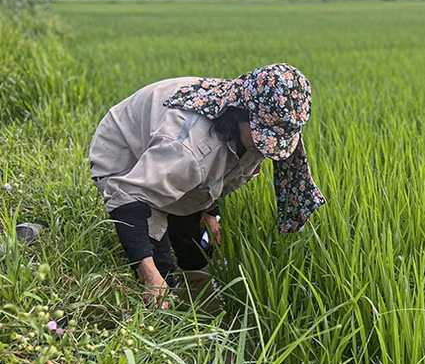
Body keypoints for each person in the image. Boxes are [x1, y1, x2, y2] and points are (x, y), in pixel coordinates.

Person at [88, 63, 325, 310]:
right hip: (126, 154)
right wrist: (149, 273)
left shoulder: (260, 129)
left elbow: (220, 171)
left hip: (173, 160)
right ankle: (163, 323)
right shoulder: (190, 149)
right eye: (264, 136)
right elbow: (127, 195)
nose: (270, 147)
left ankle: (201, 305)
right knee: (159, 273)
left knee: (196, 246)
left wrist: (211, 212)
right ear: (238, 113)